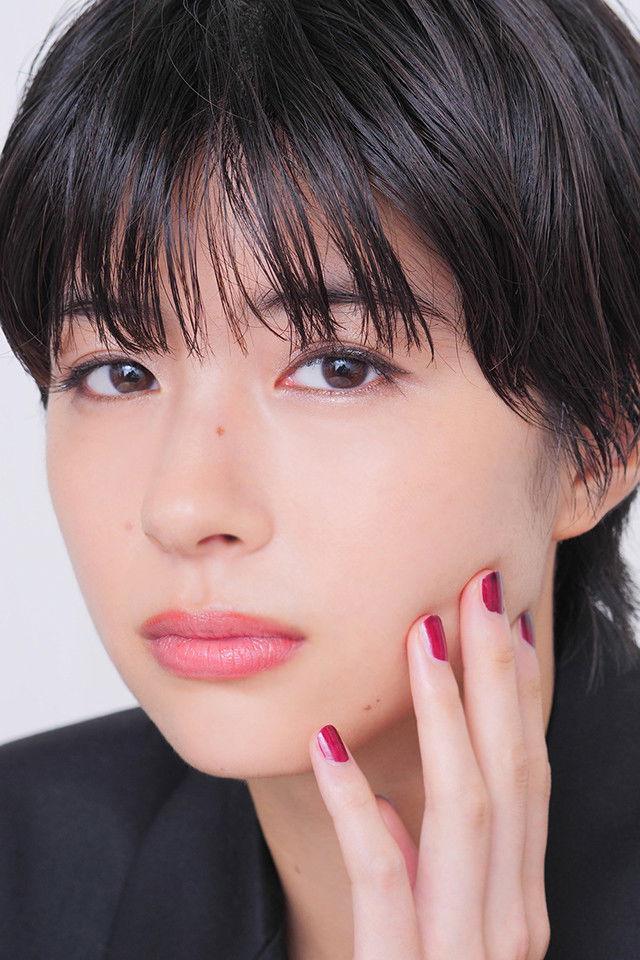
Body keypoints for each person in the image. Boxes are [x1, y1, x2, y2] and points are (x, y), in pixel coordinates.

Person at [2, 0, 640, 956]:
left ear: (599, 438)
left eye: (338, 367)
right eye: (117, 372)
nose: (184, 507)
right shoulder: (23, 869)